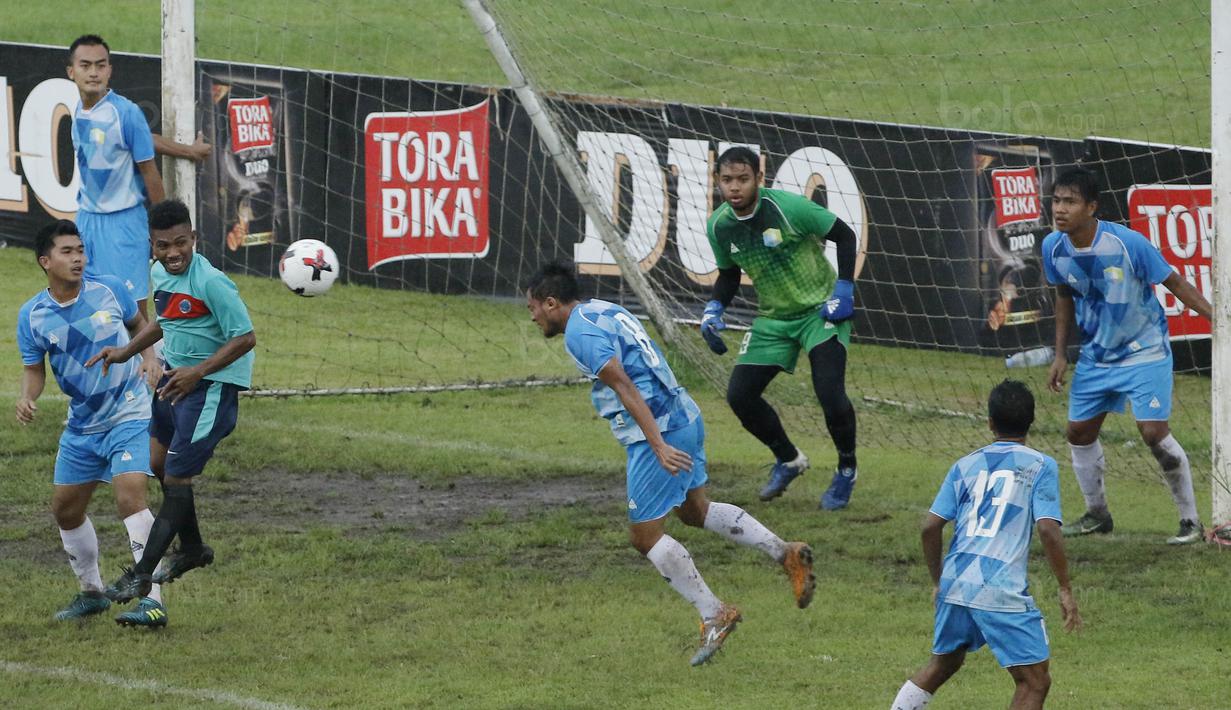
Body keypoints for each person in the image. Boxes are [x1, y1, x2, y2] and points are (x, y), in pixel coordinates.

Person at [526, 261, 816, 666]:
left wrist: (657, 444)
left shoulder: (579, 333)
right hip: (685, 414)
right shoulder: (606, 310)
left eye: (534, 308)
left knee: (644, 536)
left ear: (551, 302)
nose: (533, 316)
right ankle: (784, 552)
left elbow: (625, 385)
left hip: (659, 431)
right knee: (695, 511)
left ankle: (715, 613)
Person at [88, 199, 256, 602]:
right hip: (172, 382)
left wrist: (198, 372)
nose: (173, 253)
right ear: (152, 246)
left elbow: (245, 337)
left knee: (178, 478)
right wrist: (126, 352)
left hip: (209, 388)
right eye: (163, 245)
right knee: (160, 466)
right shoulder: (159, 273)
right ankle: (194, 549)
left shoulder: (211, 282)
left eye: (180, 243)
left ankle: (141, 575)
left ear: (193, 238)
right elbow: (164, 321)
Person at [1043, 168, 1214, 545]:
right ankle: (1097, 514)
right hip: (1096, 356)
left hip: (1145, 350)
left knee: (1153, 432)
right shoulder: (1052, 247)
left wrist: (1215, 318)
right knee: (1078, 431)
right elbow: (1062, 297)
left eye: (1069, 201)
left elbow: (1176, 282)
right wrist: (1060, 354)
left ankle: (1190, 521)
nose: (1060, 209)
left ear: (1092, 207)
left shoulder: (1128, 243)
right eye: (1056, 200)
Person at [891, 380, 1081, 710]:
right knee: (1035, 681)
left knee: (943, 664)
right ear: (1032, 421)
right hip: (998, 586)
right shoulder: (1040, 466)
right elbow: (1048, 530)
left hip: (956, 581)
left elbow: (930, 527)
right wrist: (1065, 588)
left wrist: (939, 581)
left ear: (989, 422)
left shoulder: (964, 465)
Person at [15, 220, 168, 627]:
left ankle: (152, 599)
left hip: (130, 409)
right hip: (82, 424)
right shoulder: (32, 316)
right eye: (67, 252)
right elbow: (35, 370)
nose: (78, 258)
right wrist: (28, 397)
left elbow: (142, 327)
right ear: (45, 261)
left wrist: (150, 360)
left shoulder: (110, 288)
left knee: (130, 496)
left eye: (80, 250)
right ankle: (92, 593)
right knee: (65, 510)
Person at [699, 146, 862, 509]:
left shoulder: (789, 208)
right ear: (718, 182)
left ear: (759, 178)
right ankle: (788, 459)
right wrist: (713, 308)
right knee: (740, 396)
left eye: (743, 179)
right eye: (727, 180)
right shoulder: (719, 226)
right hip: (773, 318)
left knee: (830, 394)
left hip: (820, 313)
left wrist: (844, 289)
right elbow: (728, 275)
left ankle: (847, 469)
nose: (735, 187)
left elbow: (845, 236)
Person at [66, 35, 210, 320]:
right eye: (85, 65)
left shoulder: (126, 112)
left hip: (124, 226)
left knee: (132, 312)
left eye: (100, 65)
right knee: (86, 306)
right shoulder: (80, 110)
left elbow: (149, 171)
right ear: (72, 71)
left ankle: (143, 363)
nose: (93, 72)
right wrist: (188, 150)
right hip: (86, 220)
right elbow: (146, 139)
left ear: (110, 70)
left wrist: (163, 233)